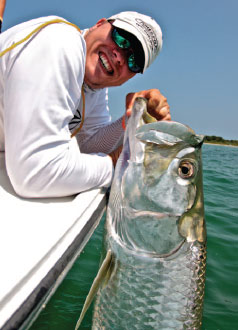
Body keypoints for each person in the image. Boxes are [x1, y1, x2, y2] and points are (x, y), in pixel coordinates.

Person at [0, 11, 170, 198]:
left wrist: (132, 119)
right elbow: (33, 174)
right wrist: (114, 164)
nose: (120, 57)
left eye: (133, 61)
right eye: (122, 38)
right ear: (99, 24)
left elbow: (87, 146)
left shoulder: (94, 87)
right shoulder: (60, 42)